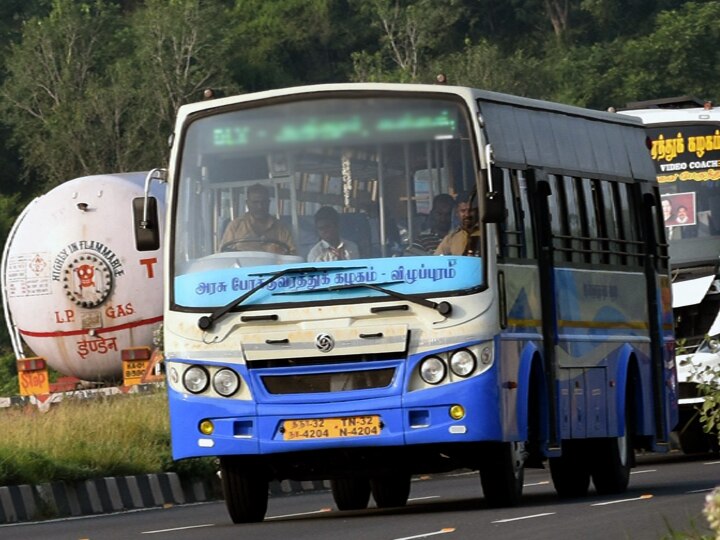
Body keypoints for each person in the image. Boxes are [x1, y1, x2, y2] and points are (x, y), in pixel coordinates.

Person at [220, 184, 297, 254]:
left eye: (263, 202)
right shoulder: (235, 226)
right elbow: (223, 255)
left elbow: (292, 254)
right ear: (247, 203)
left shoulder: (281, 228)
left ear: (269, 203)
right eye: (255, 202)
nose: (260, 207)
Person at [435, 191, 480, 256]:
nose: (467, 214)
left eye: (471, 210)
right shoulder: (451, 238)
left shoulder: (488, 235)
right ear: (456, 213)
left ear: (478, 211)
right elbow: (437, 260)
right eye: (463, 211)